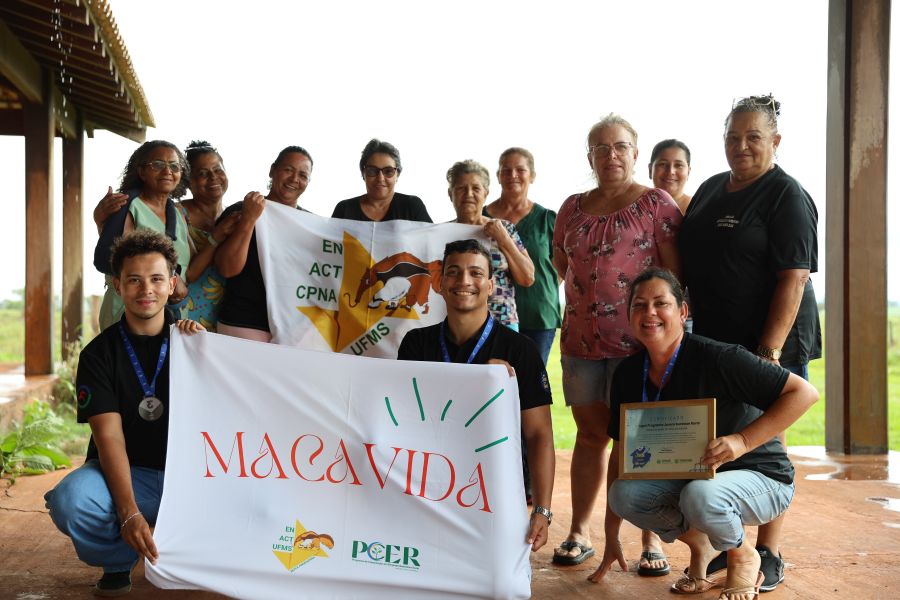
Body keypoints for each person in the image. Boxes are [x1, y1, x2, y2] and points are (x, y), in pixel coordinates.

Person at [588, 268, 818, 600]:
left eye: (661, 303)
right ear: (628, 315)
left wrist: (742, 441)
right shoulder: (628, 374)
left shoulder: (720, 358)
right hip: (696, 482)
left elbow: (804, 394)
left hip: (762, 478)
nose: (649, 312)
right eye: (639, 305)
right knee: (625, 494)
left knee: (700, 495)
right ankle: (705, 547)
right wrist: (611, 533)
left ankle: (743, 555)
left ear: (683, 311)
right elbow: (621, 454)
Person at [679, 94, 821, 591]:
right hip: (716, 338)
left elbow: (795, 277)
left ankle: (769, 551)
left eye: (754, 137)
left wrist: (770, 352)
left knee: (767, 434)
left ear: (775, 141)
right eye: (733, 137)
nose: (742, 146)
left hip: (771, 340)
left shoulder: (787, 195)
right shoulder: (710, 189)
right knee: (725, 433)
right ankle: (733, 542)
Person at [551, 114, 681, 573]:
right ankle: (579, 531)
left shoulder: (656, 204)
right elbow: (561, 263)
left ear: (635, 152)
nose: (611, 155)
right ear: (589, 156)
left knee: (641, 440)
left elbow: (674, 274)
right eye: (601, 148)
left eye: (620, 146)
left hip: (640, 347)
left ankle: (651, 538)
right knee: (590, 437)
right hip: (581, 343)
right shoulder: (571, 208)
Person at [45, 230, 206, 597]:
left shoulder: (195, 344)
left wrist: (205, 349)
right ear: (117, 285)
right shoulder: (98, 355)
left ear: (172, 285)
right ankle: (118, 560)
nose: (146, 289)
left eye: (156, 279)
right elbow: (110, 438)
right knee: (71, 501)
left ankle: (200, 556)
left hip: (189, 476)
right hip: (130, 474)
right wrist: (129, 511)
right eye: (134, 280)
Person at [397, 239, 555, 553]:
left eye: (476, 273)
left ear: (491, 286)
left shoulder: (519, 350)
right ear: (440, 284)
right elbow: (402, 421)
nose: (464, 281)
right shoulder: (416, 344)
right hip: (427, 485)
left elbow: (539, 434)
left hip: (493, 489)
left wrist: (542, 510)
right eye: (453, 272)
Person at [214, 146, 314, 341]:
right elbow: (227, 269)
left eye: (303, 175)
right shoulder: (241, 211)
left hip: (293, 328)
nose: (294, 179)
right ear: (272, 170)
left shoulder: (310, 224)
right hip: (243, 322)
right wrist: (249, 220)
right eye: (288, 170)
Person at [93, 141, 193, 331]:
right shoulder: (127, 205)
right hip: (130, 311)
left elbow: (191, 266)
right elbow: (116, 257)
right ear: (141, 171)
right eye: (158, 164)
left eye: (174, 166)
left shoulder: (178, 214)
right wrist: (172, 276)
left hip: (171, 314)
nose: (167, 171)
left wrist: (216, 239)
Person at [484, 148, 561, 364]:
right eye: (506, 170)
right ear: (498, 176)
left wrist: (543, 289)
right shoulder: (481, 218)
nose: (513, 175)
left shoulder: (547, 219)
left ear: (532, 176)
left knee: (531, 378)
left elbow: (563, 265)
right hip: (493, 315)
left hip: (538, 315)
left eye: (520, 170)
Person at [447, 159, 534, 330]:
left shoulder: (504, 229)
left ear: (486, 194)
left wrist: (503, 239)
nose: (469, 194)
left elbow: (527, 278)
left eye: (476, 188)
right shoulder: (441, 234)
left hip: (502, 323)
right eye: (461, 188)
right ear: (450, 194)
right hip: (455, 326)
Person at [175, 141, 241, 331]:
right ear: (188, 181)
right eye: (203, 174)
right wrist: (216, 237)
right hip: (185, 316)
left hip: (225, 318)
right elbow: (184, 274)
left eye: (218, 170)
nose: (213, 177)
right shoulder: (177, 213)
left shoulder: (236, 217)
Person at [332, 138, 431, 222]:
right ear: (363, 173)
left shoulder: (412, 207)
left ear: (397, 175)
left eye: (388, 171)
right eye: (372, 170)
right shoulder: (344, 209)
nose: (380, 178)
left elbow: (431, 238)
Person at [649, 139, 693, 215]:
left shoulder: (697, 208)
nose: (670, 171)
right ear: (650, 170)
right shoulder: (635, 204)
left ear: (688, 172)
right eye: (663, 164)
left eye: (678, 165)